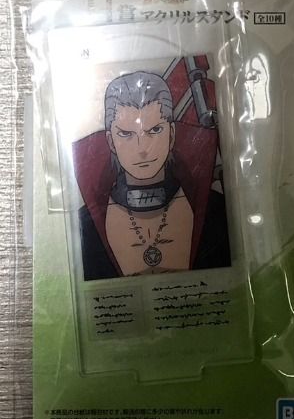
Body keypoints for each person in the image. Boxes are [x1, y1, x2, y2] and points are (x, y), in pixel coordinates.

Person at [73, 70, 231, 280]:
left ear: (171, 134)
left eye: (155, 130)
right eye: (126, 134)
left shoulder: (216, 212)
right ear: (111, 141)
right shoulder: (85, 226)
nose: (142, 149)